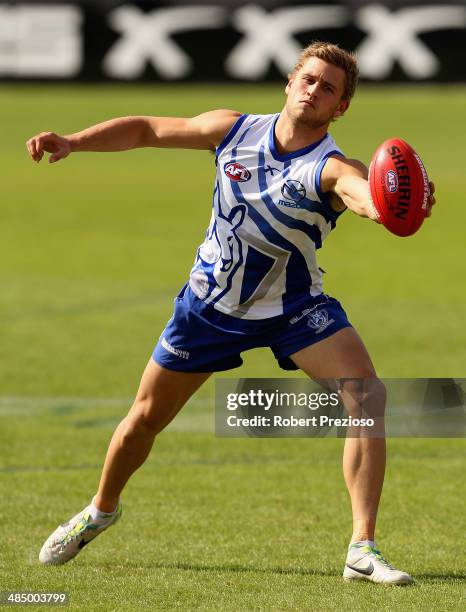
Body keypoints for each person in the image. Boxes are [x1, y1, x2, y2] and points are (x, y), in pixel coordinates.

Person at [27, 41, 435, 584]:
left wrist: (389, 205)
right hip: (210, 306)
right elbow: (147, 129)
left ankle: (362, 548)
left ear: (341, 108)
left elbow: (363, 196)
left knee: (365, 392)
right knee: (143, 420)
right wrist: (74, 142)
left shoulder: (333, 168)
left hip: (292, 308)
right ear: (290, 83)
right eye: (309, 79)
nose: (315, 90)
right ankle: (101, 509)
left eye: (329, 88)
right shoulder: (233, 131)